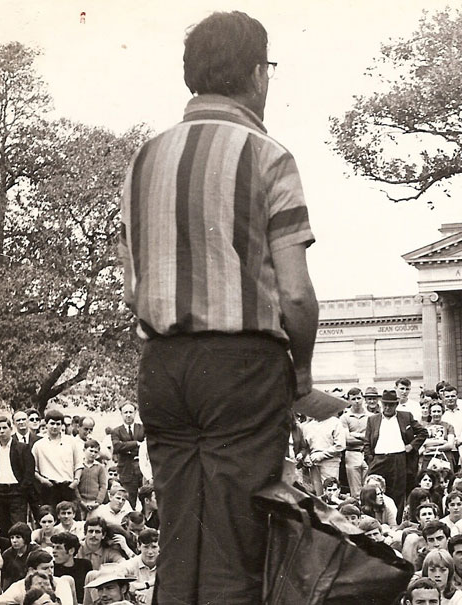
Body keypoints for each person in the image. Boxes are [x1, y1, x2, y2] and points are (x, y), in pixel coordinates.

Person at [119, 10, 321, 603]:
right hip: (240, 365)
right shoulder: (267, 154)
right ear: (258, 73)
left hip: (162, 365)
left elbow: (134, 283)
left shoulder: (144, 158)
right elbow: (297, 294)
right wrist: (302, 373)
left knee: (182, 536)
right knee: (237, 544)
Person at [365, 389, 429, 515]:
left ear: (396, 404)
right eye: (385, 404)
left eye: (391, 404)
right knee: (374, 491)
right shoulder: (373, 420)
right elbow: (367, 442)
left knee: (398, 493)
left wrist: (411, 446)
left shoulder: (406, 416)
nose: (388, 407)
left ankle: (396, 521)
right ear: (381, 404)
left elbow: (423, 432)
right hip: (379, 459)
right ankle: (376, 518)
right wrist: (370, 459)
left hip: (399, 460)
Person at [109, 403, 144, 508]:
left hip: (143, 470)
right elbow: (117, 447)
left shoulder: (142, 428)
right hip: (126, 471)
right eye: (125, 412)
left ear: (135, 413)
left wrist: (127, 448)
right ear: (121, 414)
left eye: (130, 412)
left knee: (147, 499)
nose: (128, 415)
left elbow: (148, 444)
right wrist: (137, 443)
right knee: (129, 501)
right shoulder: (116, 431)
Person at [49, 532, 91, 603]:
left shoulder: (85, 565)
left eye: (58, 548)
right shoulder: (52, 567)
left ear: (71, 551)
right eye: (53, 547)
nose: (54, 551)